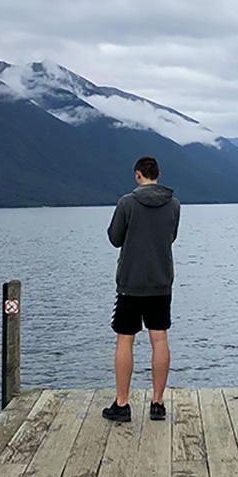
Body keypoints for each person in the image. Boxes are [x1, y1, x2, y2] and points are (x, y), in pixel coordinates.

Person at [103, 155, 180, 423]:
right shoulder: (174, 204)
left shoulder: (127, 202)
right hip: (161, 281)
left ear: (138, 175)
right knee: (159, 339)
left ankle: (122, 404)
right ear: (157, 174)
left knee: (125, 339)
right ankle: (157, 403)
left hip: (130, 283)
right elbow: (171, 236)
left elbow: (115, 239)